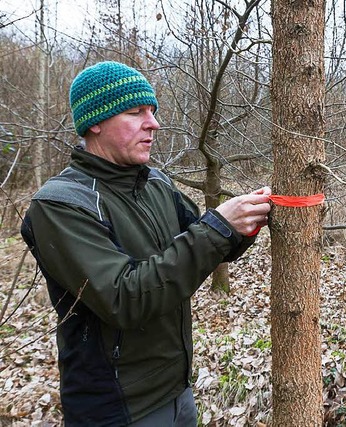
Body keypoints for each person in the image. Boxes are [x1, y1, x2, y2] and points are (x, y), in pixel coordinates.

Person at [20, 61, 272, 426]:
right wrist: (220, 226)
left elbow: (204, 243)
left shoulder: (155, 183)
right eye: (136, 112)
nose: (152, 123)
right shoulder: (61, 205)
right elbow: (124, 298)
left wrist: (244, 223)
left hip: (178, 390)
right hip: (116, 407)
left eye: (152, 112)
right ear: (96, 121)